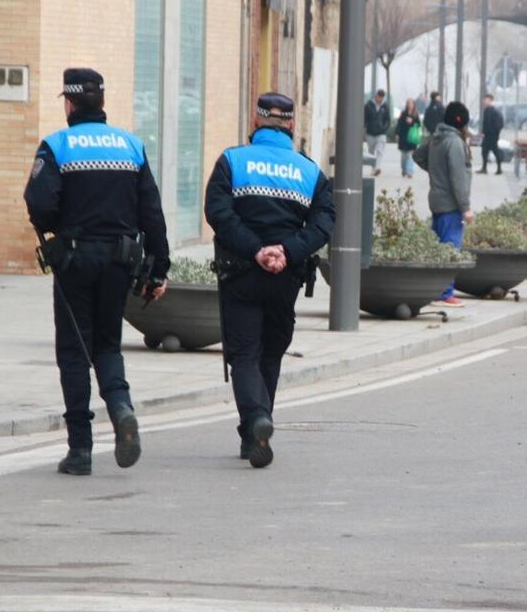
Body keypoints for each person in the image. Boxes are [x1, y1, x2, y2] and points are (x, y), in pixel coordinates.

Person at [24, 67, 170, 476]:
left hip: (74, 261)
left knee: (74, 351)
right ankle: (121, 408)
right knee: (107, 345)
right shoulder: (132, 146)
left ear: (69, 103)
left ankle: (80, 450)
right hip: (121, 262)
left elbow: (39, 204)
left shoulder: (56, 146)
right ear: (102, 102)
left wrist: (61, 224)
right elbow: (152, 214)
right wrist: (158, 268)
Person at [204, 92, 335, 469]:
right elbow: (324, 223)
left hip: (241, 271)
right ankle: (255, 430)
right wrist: (287, 251)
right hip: (286, 278)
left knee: (244, 354)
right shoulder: (310, 172)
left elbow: (218, 212)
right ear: (292, 125)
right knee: (271, 352)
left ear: (256, 120)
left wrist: (255, 250)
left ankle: (256, 421)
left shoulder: (232, 161)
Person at [413, 102, 472, 309]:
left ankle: (437, 290)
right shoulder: (454, 143)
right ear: (460, 122)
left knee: (439, 246)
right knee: (450, 248)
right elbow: (458, 179)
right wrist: (465, 207)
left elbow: (417, 156)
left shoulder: (436, 138)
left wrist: (435, 171)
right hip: (451, 204)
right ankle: (445, 293)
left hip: (436, 200)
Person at [364, 89, 391, 176]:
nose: (380, 99)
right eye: (379, 97)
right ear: (376, 96)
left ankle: (377, 168)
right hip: (370, 133)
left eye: (381, 97)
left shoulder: (385, 106)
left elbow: (388, 120)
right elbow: (364, 118)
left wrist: (384, 128)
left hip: (381, 133)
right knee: (371, 152)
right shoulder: (368, 105)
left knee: (379, 151)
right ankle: (373, 169)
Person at [477, 93, 505, 175]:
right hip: (490, 135)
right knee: (486, 151)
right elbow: (486, 123)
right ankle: (488, 168)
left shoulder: (492, 111)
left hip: (491, 136)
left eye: (485, 100)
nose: (484, 101)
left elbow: (491, 124)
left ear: (490, 100)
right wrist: (484, 132)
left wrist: (489, 132)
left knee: (492, 151)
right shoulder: (490, 110)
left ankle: (494, 168)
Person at [395, 98, 421, 178]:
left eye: (411, 103)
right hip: (403, 137)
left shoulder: (416, 114)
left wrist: (412, 122)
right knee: (404, 156)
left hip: (412, 138)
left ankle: (410, 171)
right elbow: (399, 124)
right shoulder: (403, 113)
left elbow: (419, 125)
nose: (410, 105)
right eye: (409, 103)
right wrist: (397, 134)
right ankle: (404, 170)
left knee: (411, 155)